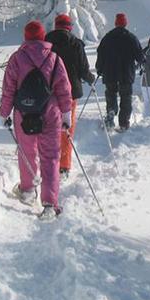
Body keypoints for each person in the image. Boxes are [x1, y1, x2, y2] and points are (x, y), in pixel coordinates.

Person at [0, 20, 73, 220]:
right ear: (42, 37)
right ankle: (50, 204)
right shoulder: (54, 58)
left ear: (26, 37)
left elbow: (8, 89)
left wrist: (4, 112)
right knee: (50, 157)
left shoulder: (16, 58)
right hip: (50, 113)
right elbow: (64, 90)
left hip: (23, 113)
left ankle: (28, 190)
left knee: (26, 152)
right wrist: (66, 115)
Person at [45, 13, 95, 180]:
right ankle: (64, 166)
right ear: (69, 27)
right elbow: (83, 68)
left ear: (56, 25)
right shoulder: (75, 43)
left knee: (49, 126)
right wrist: (90, 78)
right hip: (71, 92)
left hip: (49, 91)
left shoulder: (46, 42)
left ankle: (48, 161)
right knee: (67, 127)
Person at [95, 13, 144, 131]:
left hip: (110, 72)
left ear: (116, 23)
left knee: (111, 93)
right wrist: (142, 61)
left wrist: (99, 68)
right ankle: (123, 123)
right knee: (126, 97)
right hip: (126, 73)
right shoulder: (131, 38)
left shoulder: (107, 37)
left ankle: (111, 111)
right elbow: (139, 55)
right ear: (125, 23)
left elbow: (100, 53)